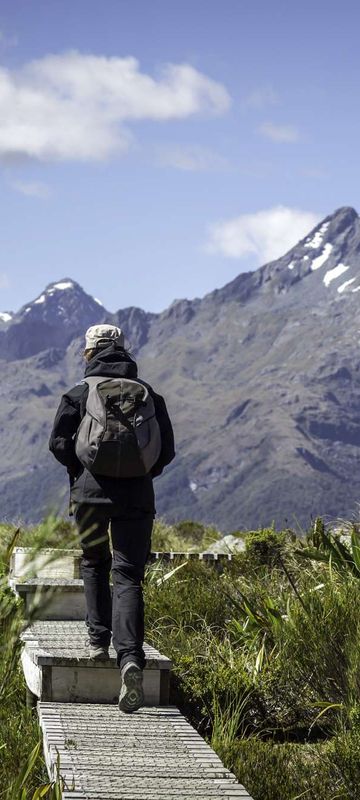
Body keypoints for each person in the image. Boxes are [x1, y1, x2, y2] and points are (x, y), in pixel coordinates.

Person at [49, 324, 175, 712]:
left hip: (90, 494)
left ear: (88, 353)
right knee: (128, 575)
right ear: (124, 351)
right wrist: (139, 477)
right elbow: (166, 450)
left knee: (93, 562)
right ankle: (131, 658)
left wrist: (81, 470)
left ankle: (98, 638)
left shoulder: (78, 393)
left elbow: (57, 443)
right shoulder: (149, 395)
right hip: (136, 496)